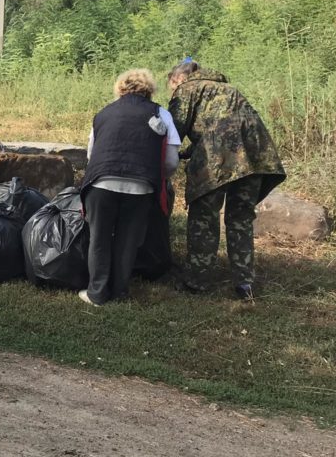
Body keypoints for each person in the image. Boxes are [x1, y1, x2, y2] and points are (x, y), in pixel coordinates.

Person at [167, 61, 286, 300]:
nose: (171, 92)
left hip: (217, 160)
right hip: (254, 158)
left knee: (204, 218)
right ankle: (244, 284)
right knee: (240, 218)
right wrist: (189, 152)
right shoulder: (228, 90)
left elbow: (174, 131)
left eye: (170, 87)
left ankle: (197, 281)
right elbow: (222, 128)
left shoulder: (188, 89)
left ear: (178, 79)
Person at [78, 69, 181, 307]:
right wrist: (158, 177)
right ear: (150, 90)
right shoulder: (161, 114)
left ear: (120, 89)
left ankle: (96, 293)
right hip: (141, 187)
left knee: (99, 238)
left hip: (101, 182)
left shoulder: (104, 113)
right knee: (128, 239)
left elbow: (92, 154)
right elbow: (171, 161)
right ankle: (120, 291)